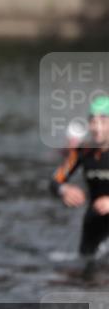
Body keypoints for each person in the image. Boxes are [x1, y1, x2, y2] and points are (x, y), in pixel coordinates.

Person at [50, 95, 109, 263]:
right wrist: (64, 190)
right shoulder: (83, 151)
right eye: (93, 121)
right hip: (94, 222)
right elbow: (55, 180)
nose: (97, 128)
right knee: (85, 276)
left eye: (103, 121)